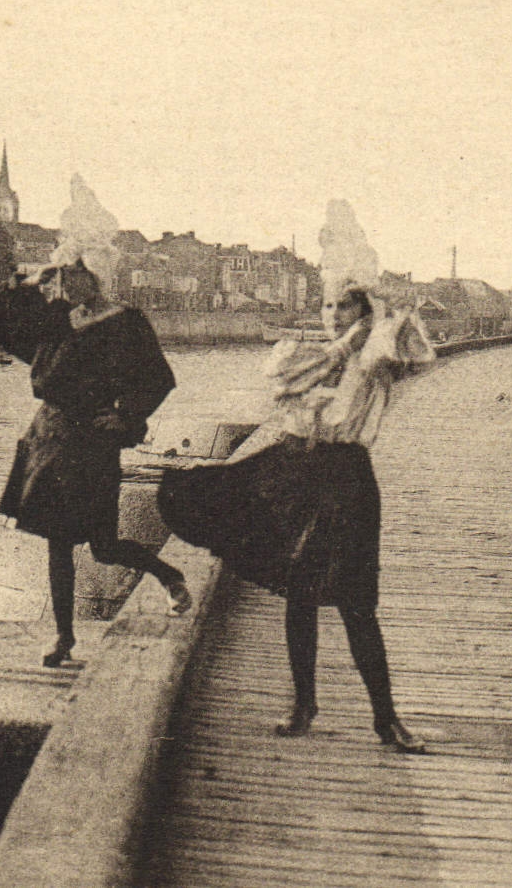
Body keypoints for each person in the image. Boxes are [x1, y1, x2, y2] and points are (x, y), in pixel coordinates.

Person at [158, 280, 435, 753]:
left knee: (357, 601)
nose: (333, 314)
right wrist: (348, 339)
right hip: (294, 471)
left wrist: (389, 316)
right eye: (327, 305)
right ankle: (304, 705)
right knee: (300, 592)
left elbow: (420, 357)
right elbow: (290, 383)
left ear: (365, 310)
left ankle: (386, 719)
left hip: (346, 477)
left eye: (344, 305)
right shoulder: (307, 356)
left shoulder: (375, 360)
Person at [0, 258, 192, 669]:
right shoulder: (56, 317)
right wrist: (27, 283)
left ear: (94, 274)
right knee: (57, 543)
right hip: (50, 437)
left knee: (104, 548)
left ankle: (167, 574)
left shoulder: (126, 321)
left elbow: (159, 378)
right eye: (59, 276)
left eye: (71, 274)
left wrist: (126, 417)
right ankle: (64, 636)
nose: (63, 283)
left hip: (93, 442)